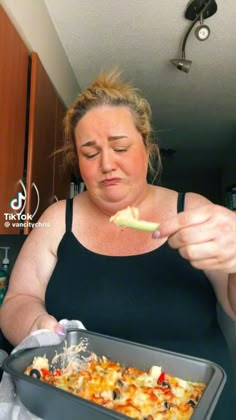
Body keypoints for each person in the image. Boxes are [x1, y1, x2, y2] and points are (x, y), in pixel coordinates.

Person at [1, 70, 236, 418]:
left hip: (195, 406)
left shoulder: (195, 210)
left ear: (147, 147)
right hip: (82, 404)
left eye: (121, 147)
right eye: (90, 152)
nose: (107, 164)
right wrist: (36, 325)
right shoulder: (56, 218)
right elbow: (17, 300)